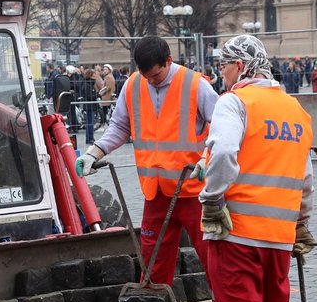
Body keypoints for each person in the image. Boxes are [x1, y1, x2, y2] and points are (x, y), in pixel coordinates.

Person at [198, 34, 317, 302]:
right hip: (279, 235)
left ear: (242, 67)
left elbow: (225, 153)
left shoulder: (236, 102)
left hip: (238, 233)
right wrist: (301, 223)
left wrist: (212, 199)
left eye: (225, 66)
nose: (222, 74)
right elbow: (304, 175)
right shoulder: (295, 109)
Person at [74, 35, 217, 286]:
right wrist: (93, 153)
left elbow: (221, 128)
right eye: (145, 76)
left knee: (212, 256)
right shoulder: (133, 85)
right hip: (157, 191)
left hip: (193, 189)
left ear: (168, 62)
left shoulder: (196, 85)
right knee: (153, 258)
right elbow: (119, 126)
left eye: (156, 76)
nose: (150, 81)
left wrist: (208, 158)